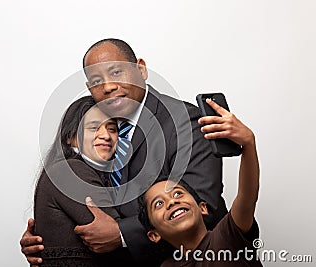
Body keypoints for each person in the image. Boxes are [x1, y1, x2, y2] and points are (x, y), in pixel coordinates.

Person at [21, 39, 228, 266]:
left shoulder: (183, 120)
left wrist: (122, 235)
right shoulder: (102, 136)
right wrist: (52, 242)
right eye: (97, 81)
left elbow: (205, 203)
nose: (108, 86)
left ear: (141, 69)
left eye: (116, 72)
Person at [138, 99, 262, 266]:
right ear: (154, 235)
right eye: (158, 203)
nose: (172, 201)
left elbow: (247, 197)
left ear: (202, 207)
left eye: (177, 193)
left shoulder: (227, 236)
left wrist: (248, 143)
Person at [34, 96, 132, 266]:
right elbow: (115, 233)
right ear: (69, 137)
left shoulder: (106, 175)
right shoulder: (69, 171)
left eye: (112, 129)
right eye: (94, 128)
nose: (106, 135)